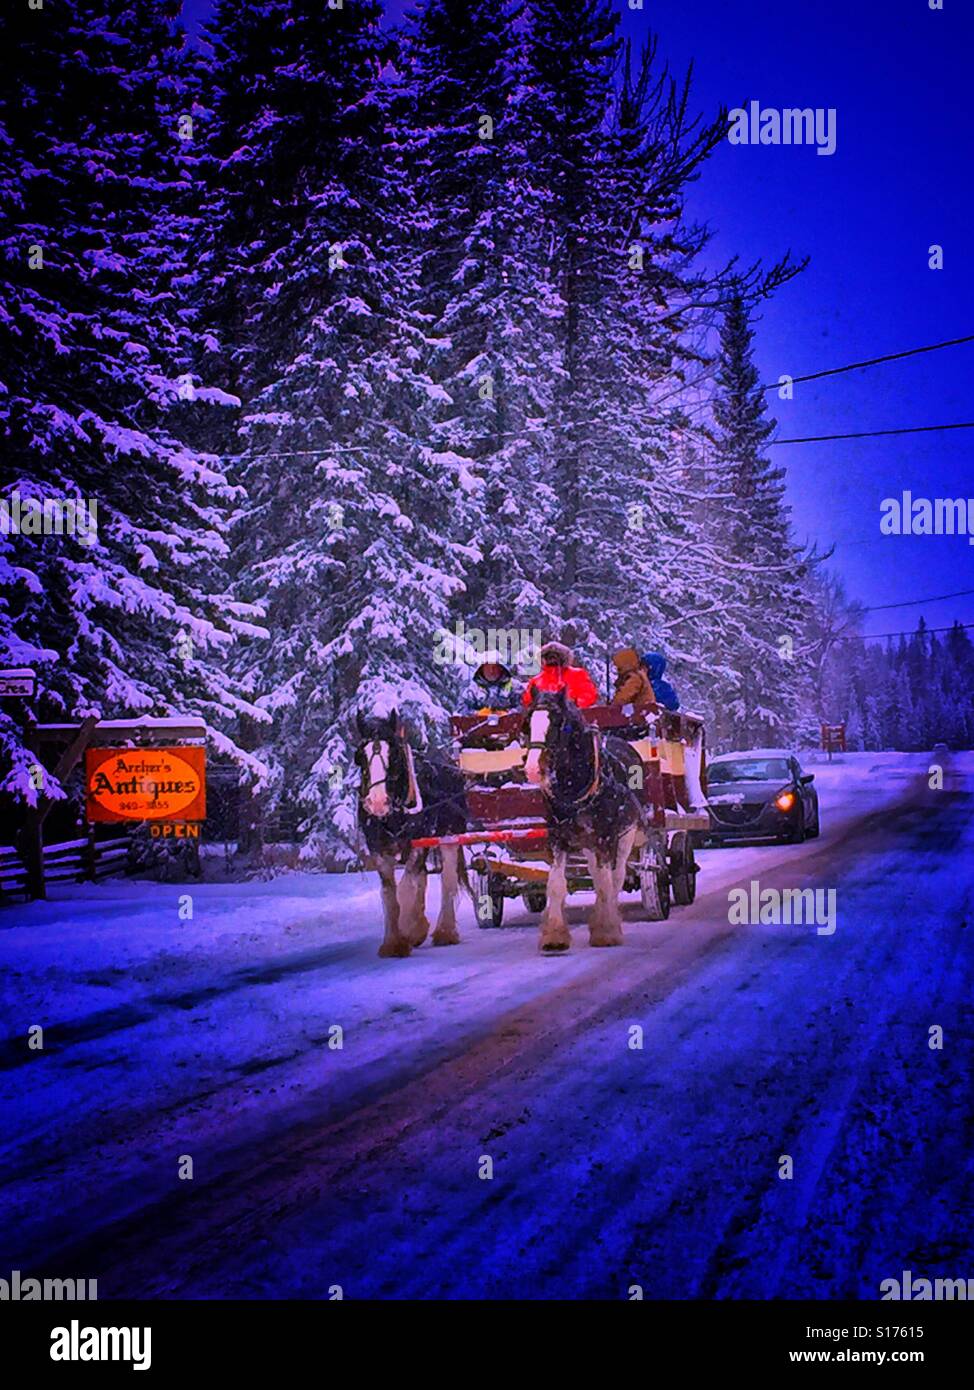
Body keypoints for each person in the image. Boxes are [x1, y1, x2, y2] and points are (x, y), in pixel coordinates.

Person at [521, 641, 599, 708]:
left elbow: (588, 694)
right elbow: (528, 702)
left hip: (572, 719)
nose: (552, 659)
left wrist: (574, 706)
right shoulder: (536, 681)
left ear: (563, 657)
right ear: (543, 658)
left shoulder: (577, 674)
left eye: (556, 656)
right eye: (548, 656)